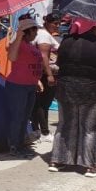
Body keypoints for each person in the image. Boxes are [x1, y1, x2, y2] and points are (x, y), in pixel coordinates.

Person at [50, 18, 96, 176]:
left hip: (66, 89)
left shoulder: (66, 42)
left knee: (65, 124)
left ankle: (58, 160)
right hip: (93, 91)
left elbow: (59, 64)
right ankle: (90, 166)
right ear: (94, 27)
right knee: (89, 128)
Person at [5, 18, 42, 158]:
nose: (36, 32)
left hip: (30, 86)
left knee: (24, 117)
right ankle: (14, 146)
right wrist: (18, 36)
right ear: (29, 31)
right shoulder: (19, 44)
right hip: (17, 86)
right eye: (35, 30)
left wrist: (37, 80)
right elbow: (12, 58)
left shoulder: (30, 45)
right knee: (17, 117)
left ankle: (19, 144)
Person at [29, 14, 61, 143]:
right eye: (54, 23)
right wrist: (49, 75)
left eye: (58, 23)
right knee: (43, 104)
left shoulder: (45, 34)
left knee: (38, 104)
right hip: (42, 74)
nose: (57, 25)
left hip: (37, 73)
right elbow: (43, 57)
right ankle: (44, 132)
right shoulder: (44, 35)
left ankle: (37, 130)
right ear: (46, 22)